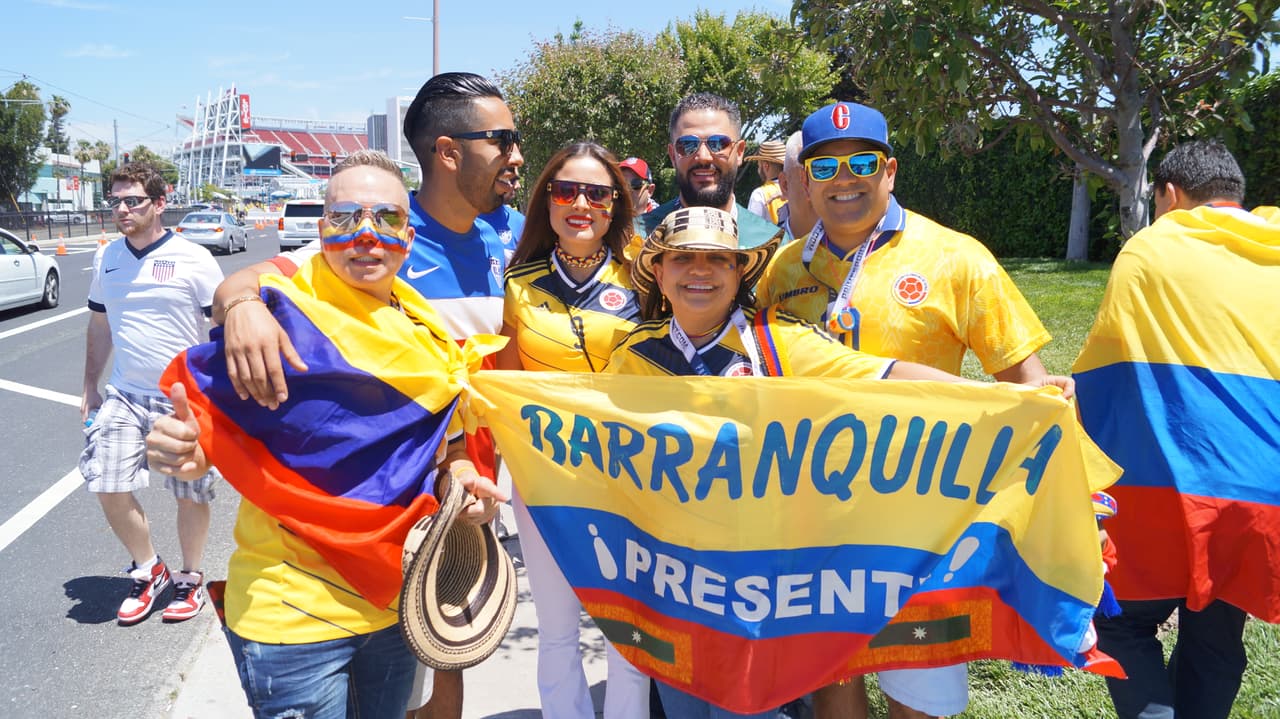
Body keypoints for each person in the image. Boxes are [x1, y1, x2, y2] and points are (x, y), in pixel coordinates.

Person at [203, 71, 520, 719]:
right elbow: (263, 278)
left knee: (445, 651)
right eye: (504, 139)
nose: (517, 155)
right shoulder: (381, 237)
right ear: (448, 152)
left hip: (459, 492)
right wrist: (241, 307)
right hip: (327, 554)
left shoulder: (501, 233)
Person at [146, 150, 494, 719]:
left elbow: (443, 445)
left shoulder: (424, 325)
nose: (366, 234)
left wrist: (460, 477)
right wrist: (183, 449)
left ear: (408, 233)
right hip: (292, 612)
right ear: (319, 226)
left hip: (391, 603)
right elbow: (204, 427)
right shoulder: (285, 313)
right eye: (345, 217)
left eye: (386, 218)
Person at [756, 101, 1060, 719]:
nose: (844, 178)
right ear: (804, 180)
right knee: (833, 680)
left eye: (862, 161)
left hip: (925, 519)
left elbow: (1027, 387)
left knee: (920, 689)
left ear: (889, 170)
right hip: (814, 514)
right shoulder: (782, 270)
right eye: (824, 165)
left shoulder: (956, 257)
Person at [1073, 140, 1280, 719]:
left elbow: (1109, 371)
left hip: (1168, 489)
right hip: (1263, 493)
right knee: (1216, 632)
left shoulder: (1152, 248)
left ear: (1168, 195)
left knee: (1120, 624)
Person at [497, 141, 650, 718]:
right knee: (557, 629)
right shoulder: (520, 282)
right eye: (565, 191)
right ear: (547, 202)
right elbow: (507, 386)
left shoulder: (646, 278)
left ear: (616, 203)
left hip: (630, 481)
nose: (580, 203)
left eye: (596, 192)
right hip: (545, 480)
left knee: (625, 634)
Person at [79, 162, 223, 626]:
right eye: (116, 201)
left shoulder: (194, 258)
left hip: (182, 396)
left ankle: (190, 579)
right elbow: (100, 324)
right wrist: (89, 386)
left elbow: (221, 327)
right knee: (105, 479)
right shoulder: (108, 258)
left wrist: (220, 395)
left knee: (189, 491)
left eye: (133, 200)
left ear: (159, 203)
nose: (122, 209)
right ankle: (149, 568)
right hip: (124, 393)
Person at [635, 93, 784, 248]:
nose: (703, 157)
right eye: (687, 145)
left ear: (739, 152)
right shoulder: (636, 240)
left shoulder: (771, 245)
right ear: (673, 156)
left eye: (718, 143)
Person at [776, 131, 817, 241]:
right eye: (809, 178)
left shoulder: (861, 253)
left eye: (828, 172)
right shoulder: (766, 254)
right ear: (785, 185)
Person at [745, 139, 787, 225]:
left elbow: (752, 229)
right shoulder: (796, 190)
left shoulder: (760, 194)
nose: (758, 169)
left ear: (766, 166)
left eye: (758, 166)